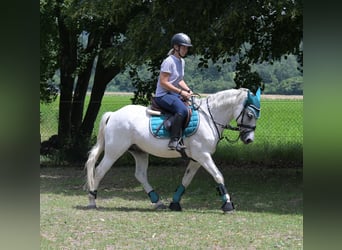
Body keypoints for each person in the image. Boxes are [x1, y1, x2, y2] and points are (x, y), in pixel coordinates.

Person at [154, 33, 193, 150]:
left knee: (192, 106)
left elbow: (179, 80)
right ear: (176, 47)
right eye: (184, 47)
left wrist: (188, 90)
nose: (186, 50)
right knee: (182, 110)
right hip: (163, 95)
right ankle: (174, 140)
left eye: (187, 48)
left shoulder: (181, 62)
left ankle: (176, 127)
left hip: (172, 94)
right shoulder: (169, 61)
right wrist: (181, 93)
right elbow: (163, 82)